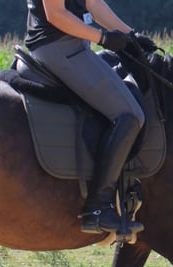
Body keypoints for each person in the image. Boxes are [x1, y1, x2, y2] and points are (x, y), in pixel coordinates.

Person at [25, 0, 157, 235]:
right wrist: (103, 38)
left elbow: (93, 4)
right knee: (129, 114)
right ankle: (97, 209)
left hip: (76, 46)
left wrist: (131, 36)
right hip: (57, 46)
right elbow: (56, 14)